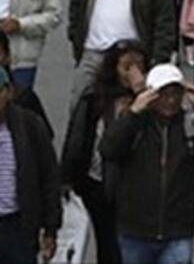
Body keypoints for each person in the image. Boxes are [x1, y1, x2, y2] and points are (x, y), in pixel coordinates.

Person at [100, 63, 194, 263]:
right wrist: (133, 113)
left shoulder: (189, 125)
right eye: (163, 94)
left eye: (176, 94)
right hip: (136, 230)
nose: (170, 100)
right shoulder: (135, 124)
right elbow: (109, 149)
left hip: (178, 230)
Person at [61, 39, 147, 264]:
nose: (134, 73)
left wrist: (141, 96)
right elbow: (78, 139)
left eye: (140, 66)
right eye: (127, 67)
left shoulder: (151, 101)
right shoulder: (94, 99)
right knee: (109, 245)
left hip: (139, 189)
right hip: (101, 185)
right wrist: (67, 178)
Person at [0, 66, 60, 264]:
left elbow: (49, 177)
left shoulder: (29, 125)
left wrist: (50, 229)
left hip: (17, 226)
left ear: (9, 92)